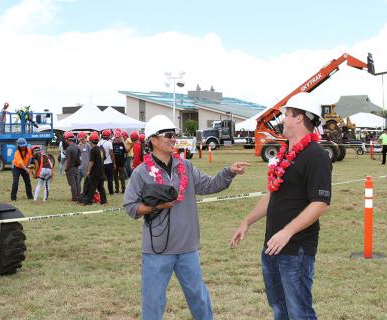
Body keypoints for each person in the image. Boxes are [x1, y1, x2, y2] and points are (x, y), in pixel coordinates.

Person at [123, 114, 249, 320]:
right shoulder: (141, 172)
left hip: (187, 248)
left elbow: (209, 185)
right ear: (153, 139)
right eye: (168, 135)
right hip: (156, 250)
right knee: (153, 302)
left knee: (198, 298)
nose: (173, 139)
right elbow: (130, 207)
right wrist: (157, 206)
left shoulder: (185, 167)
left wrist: (229, 172)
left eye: (175, 135)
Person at [230, 93, 332, 320]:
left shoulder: (316, 156)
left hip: (296, 250)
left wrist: (287, 232)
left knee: (299, 313)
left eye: (287, 114)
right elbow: (272, 195)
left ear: (299, 118)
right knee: (279, 310)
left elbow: (320, 203)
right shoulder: (285, 153)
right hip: (272, 248)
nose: (283, 119)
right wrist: (246, 221)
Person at [79, 131, 107, 205]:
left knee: (92, 187)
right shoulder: (100, 148)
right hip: (101, 170)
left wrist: (88, 170)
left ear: (91, 141)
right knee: (101, 187)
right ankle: (104, 200)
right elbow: (104, 157)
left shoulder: (93, 150)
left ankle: (88, 201)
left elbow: (91, 161)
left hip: (95, 171)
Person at [64, 131, 81, 201]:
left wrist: (66, 169)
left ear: (68, 139)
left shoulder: (68, 149)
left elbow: (68, 160)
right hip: (77, 167)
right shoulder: (77, 147)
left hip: (70, 168)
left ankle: (74, 197)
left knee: (72, 183)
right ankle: (78, 195)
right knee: (77, 182)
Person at [98, 129, 116, 195]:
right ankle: (111, 192)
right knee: (110, 178)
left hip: (101, 163)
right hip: (109, 163)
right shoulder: (109, 143)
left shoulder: (99, 142)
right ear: (108, 136)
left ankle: (101, 191)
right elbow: (112, 154)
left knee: (102, 178)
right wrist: (114, 163)